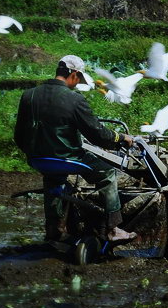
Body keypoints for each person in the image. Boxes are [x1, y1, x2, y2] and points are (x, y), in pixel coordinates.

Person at [14, 54, 136, 243]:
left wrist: (35, 152)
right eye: (78, 79)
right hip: (68, 158)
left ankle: (54, 230)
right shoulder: (74, 99)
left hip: (38, 160)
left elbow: (19, 135)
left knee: (53, 180)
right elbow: (98, 134)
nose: (78, 83)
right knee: (107, 174)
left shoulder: (29, 95)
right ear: (74, 74)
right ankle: (113, 228)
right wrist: (120, 137)